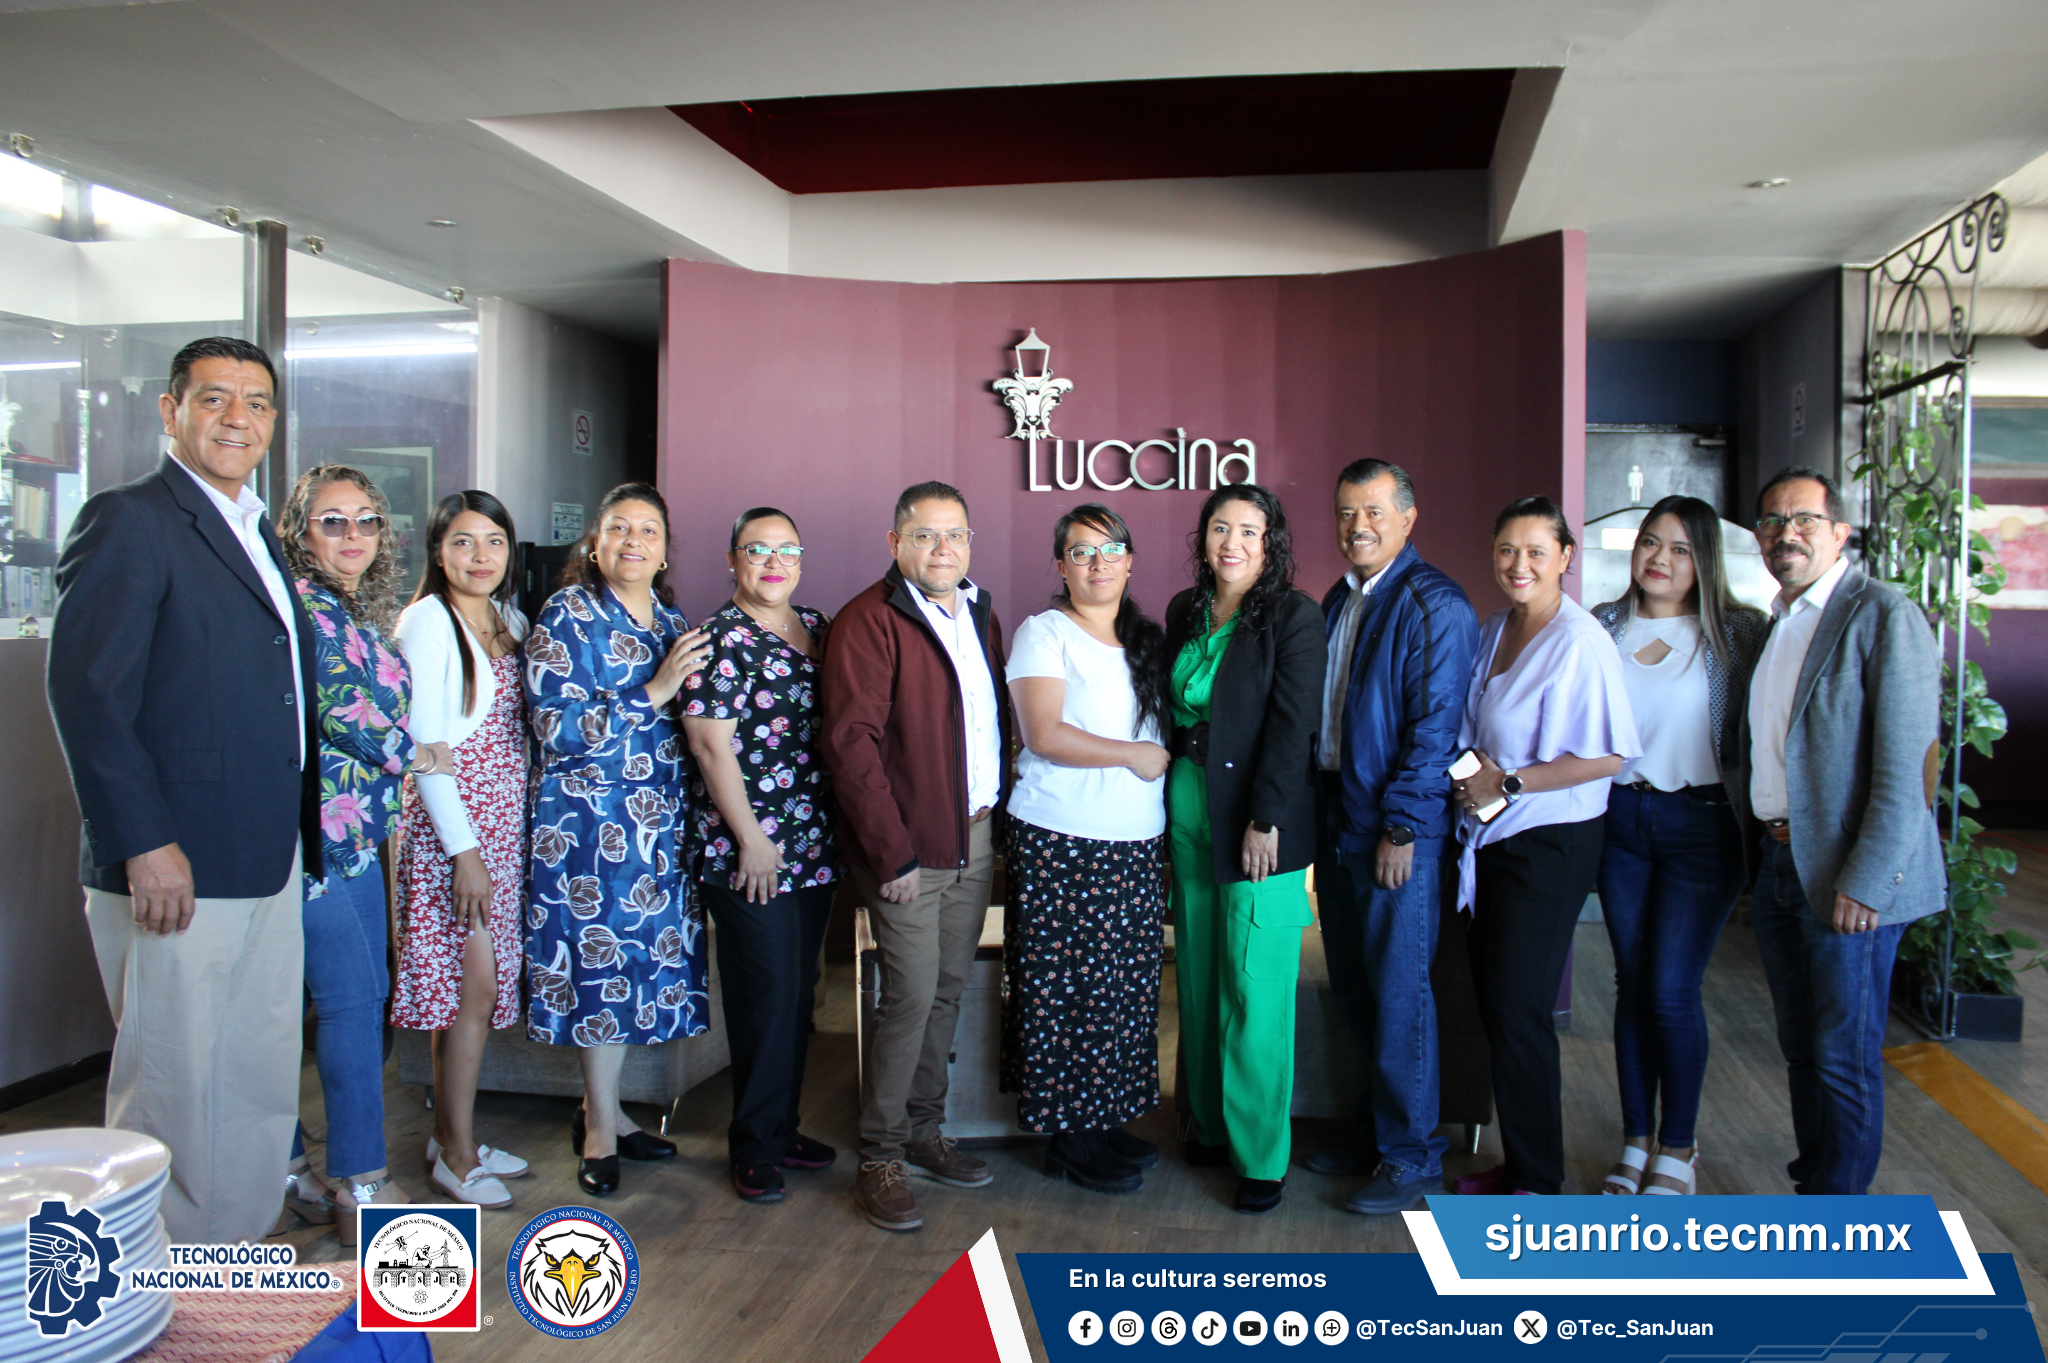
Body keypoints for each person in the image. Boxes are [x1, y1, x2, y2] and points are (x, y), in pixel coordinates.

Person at [48, 336, 321, 1245]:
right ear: (171, 411)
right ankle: (154, 1279)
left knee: (255, 1072)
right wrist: (141, 840)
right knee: (172, 1083)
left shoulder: (255, 529)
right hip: (176, 858)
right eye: (213, 398)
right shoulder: (129, 518)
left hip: (266, 851)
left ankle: (230, 1264)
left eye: (256, 402)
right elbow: (88, 695)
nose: (238, 418)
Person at [1736, 466, 1941, 1196]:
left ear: (1841, 533)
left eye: (1804, 520)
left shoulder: (1882, 613)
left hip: (1848, 875)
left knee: (1843, 1056)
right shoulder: (1778, 623)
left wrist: (1868, 880)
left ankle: (1840, 1219)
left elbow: (1909, 767)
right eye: (1771, 521)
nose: (1785, 534)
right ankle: (1816, 1187)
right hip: (1781, 863)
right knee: (1801, 1047)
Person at [821, 480, 1011, 1233]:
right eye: (926, 534)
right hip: (907, 848)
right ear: (895, 542)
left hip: (974, 837)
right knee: (909, 995)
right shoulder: (869, 619)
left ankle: (927, 1130)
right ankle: (881, 1154)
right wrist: (891, 853)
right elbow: (852, 747)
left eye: (955, 534)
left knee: (948, 991)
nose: (942, 548)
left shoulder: (982, 612)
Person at [275, 465, 452, 1240]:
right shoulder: (306, 608)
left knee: (321, 1003)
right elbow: (339, 707)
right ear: (299, 532)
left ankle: (288, 1168)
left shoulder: (347, 608)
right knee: (350, 1001)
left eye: (367, 520)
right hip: (316, 841)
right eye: (332, 520)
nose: (353, 534)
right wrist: (420, 753)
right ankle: (361, 1184)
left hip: (349, 839)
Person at [526, 482, 713, 1197]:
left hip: (657, 826)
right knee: (599, 971)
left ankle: (602, 1108)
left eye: (649, 530)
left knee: (634, 971)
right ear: (595, 542)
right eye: (620, 528)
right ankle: (600, 1129)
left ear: (664, 550)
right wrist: (653, 691)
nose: (635, 541)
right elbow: (554, 728)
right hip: (588, 827)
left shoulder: (672, 620)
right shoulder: (567, 614)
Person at [1451, 496, 1639, 1197]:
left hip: (1550, 843)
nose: (1519, 563)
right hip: (1492, 836)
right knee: (1499, 1008)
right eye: (1507, 549)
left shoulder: (1580, 639)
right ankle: (1519, 1162)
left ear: (1566, 556)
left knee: (1520, 1010)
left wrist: (1512, 781)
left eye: (1536, 550)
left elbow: (1610, 755)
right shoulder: (1494, 627)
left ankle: (1537, 1177)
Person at [1308, 459, 1478, 1215]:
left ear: (1408, 518)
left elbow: (1435, 729)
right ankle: (1375, 1135)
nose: (1358, 526)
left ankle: (1411, 1157)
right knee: (1356, 988)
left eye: (1374, 511)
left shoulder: (1434, 602)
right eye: (1347, 512)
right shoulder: (1341, 598)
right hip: (1341, 825)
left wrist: (1403, 825)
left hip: (1396, 833)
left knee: (1402, 994)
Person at [1589, 495, 1767, 1196]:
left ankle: (1680, 1146)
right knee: (1632, 985)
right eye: (1650, 542)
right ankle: (1636, 1141)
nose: (1660, 559)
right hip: (1621, 823)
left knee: (1670, 988)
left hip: (1704, 825)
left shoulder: (1740, 632)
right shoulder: (1603, 625)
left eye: (1681, 548)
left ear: (1705, 561)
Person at [1163, 483, 1325, 1215]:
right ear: (1203, 539)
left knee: (1255, 986)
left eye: (1249, 531)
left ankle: (1262, 1155)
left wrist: (1268, 818)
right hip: (1188, 804)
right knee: (1198, 977)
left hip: (1257, 820)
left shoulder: (1293, 615)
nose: (1232, 542)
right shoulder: (1184, 610)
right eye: (1220, 528)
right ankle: (1206, 1124)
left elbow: (1294, 726)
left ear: (1270, 543)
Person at [1000, 503, 1172, 1196]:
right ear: (1062, 566)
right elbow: (1043, 733)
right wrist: (1132, 754)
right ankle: (1068, 1140)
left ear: (1130, 561)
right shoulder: (1043, 633)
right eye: (1081, 551)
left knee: (1123, 993)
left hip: (1135, 841)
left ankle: (1103, 1120)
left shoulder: (1147, 641)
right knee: (1068, 993)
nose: (1098, 562)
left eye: (1111, 549)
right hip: (1063, 840)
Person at [682, 507, 841, 1205]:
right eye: (758, 549)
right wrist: (750, 838)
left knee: (798, 992)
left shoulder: (817, 625)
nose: (774, 562)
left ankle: (781, 1127)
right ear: (732, 559)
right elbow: (708, 745)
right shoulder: (716, 640)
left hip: (813, 844)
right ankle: (752, 1146)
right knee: (765, 996)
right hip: (748, 849)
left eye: (787, 550)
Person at [391, 490, 533, 1208]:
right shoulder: (427, 620)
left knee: (469, 991)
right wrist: (463, 853)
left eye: (494, 542)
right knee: (471, 989)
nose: (481, 556)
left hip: (504, 825)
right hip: (457, 827)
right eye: (463, 542)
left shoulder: (510, 618)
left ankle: (453, 1135)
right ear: (438, 551)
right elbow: (428, 747)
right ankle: (455, 1154)